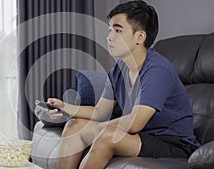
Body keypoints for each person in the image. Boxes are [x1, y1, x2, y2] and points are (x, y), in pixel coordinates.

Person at [44, 1, 201, 169]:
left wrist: (100, 129)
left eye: (118, 30)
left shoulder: (157, 70)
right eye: (110, 30)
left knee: (108, 136)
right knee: (75, 126)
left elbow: (135, 123)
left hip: (172, 143)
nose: (109, 37)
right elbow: (99, 112)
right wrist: (65, 106)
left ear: (140, 37)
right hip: (142, 136)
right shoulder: (119, 71)